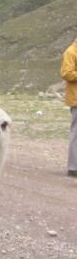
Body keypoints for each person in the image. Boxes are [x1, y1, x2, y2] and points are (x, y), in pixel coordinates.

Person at [60, 38, 77, 177]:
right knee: (76, 133)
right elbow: (66, 73)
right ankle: (73, 167)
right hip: (76, 99)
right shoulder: (70, 52)